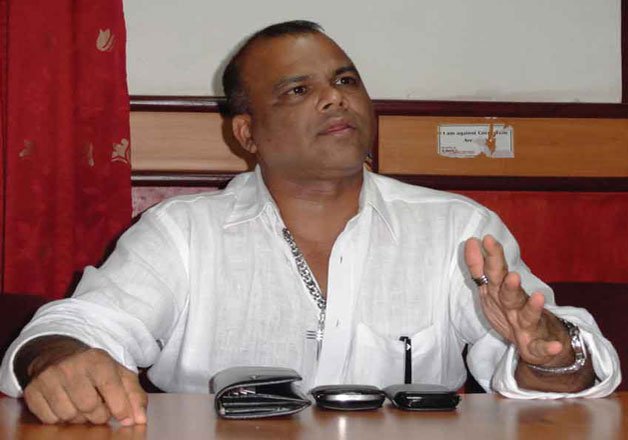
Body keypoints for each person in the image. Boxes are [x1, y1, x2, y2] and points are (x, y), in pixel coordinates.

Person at [0, 20, 620, 425]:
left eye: (346, 80)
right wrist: (63, 360)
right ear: (247, 133)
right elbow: (76, 327)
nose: (335, 97)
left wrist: (549, 353)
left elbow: (553, 365)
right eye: (297, 90)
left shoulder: (457, 229)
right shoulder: (182, 234)